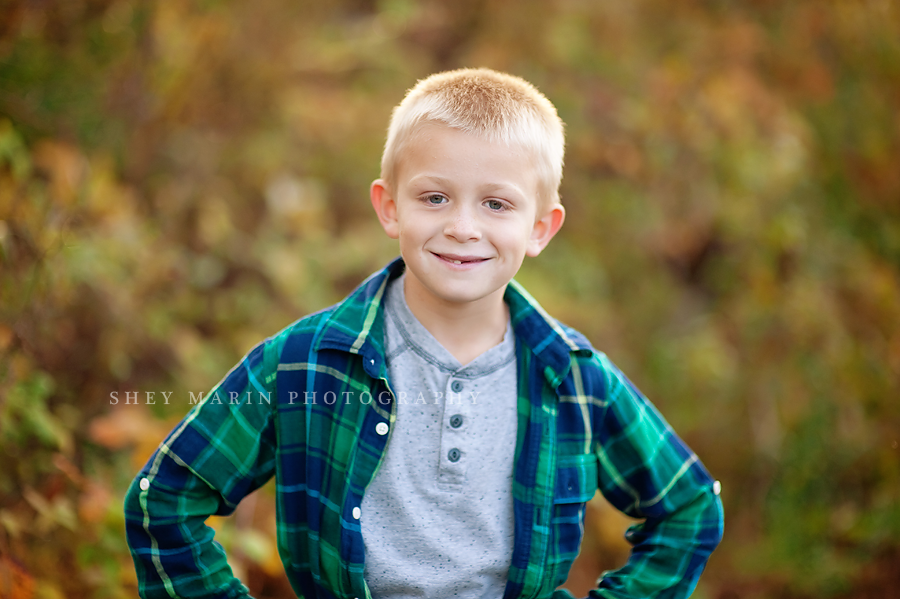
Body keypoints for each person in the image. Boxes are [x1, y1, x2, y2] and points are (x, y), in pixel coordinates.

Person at [124, 67, 724, 599]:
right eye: (435, 197)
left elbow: (688, 509)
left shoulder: (573, 378)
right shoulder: (305, 363)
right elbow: (165, 500)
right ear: (390, 208)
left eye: (497, 204)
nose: (463, 227)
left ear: (541, 227)